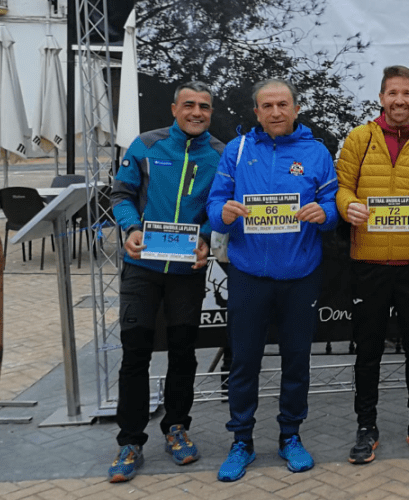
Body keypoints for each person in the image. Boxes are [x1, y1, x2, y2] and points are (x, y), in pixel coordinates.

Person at [208, 79, 339, 480]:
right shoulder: (237, 149)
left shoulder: (316, 153)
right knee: (244, 362)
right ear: (257, 112)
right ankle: (241, 441)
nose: (276, 112)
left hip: (299, 276)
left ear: (296, 109)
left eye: (283, 104)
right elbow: (215, 205)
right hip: (248, 275)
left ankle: (290, 436)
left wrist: (325, 214)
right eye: (267, 106)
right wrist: (223, 214)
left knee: (296, 361)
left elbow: (332, 205)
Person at [108, 82, 225, 482]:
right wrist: (131, 228)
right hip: (141, 267)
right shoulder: (145, 145)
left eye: (204, 107)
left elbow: (218, 208)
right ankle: (130, 441)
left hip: (185, 272)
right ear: (174, 109)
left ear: (211, 113)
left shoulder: (220, 154)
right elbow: (120, 194)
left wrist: (205, 237)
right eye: (189, 105)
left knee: (183, 353)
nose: (197, 112)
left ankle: (176, 427)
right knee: (135, 353)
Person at [336, 65, 409, 463]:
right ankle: (366, 426)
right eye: (392, 93)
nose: (399, 100)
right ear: (381, 98)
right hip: (368, 262)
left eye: (406, 93)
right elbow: (343, 187)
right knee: (367, 351)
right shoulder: (359, 138)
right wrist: (347, 206)